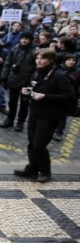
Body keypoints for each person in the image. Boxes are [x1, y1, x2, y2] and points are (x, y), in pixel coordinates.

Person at [14, 49, 76, 183]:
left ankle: (45, 171)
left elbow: (69, 97)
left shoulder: (59, 76)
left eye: (42, 58)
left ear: (50, 60)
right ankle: (32, 168)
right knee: (31, 143)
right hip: (35, 112)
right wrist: (28, 91)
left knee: (39, 145)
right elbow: (37, 90)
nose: (39, 61)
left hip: (49, 116)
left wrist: (46, 96)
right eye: (37, 58)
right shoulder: (38, 73)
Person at [0, 31, 37, 132]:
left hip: (27, 81)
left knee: (24, 103)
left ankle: (20, 121)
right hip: (14, 79)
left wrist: (32, 82)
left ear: (30, 40)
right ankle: (10, 119)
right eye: (22, 38)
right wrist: (4, 77)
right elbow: (8, 63)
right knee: (12, 102)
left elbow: (36, 68)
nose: (24, 40)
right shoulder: (15, 48)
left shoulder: (35, 50)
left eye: (26, 38)